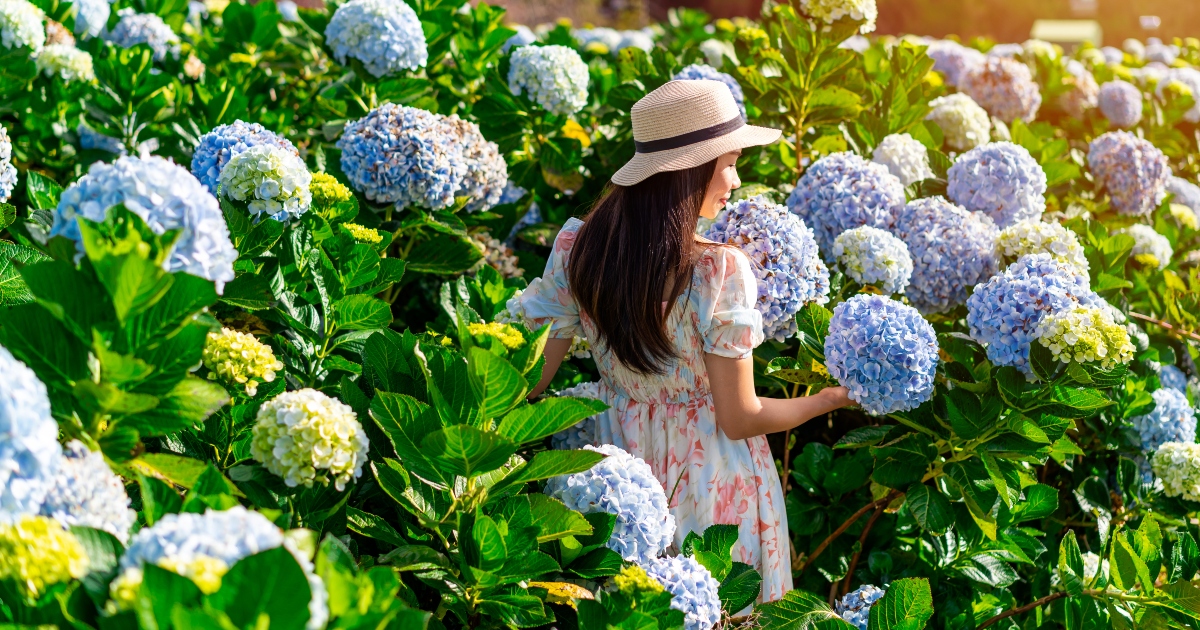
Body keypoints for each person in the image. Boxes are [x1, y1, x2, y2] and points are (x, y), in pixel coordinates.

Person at [512, 80, 853, 601]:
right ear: (692, 171)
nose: (735, 181)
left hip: (615, 471)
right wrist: (825, 401)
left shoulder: (579, 247)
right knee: (712, 605)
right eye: (730, 163)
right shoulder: (718, 269)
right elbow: (739, 418)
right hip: (711, 477)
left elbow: (530, 382)